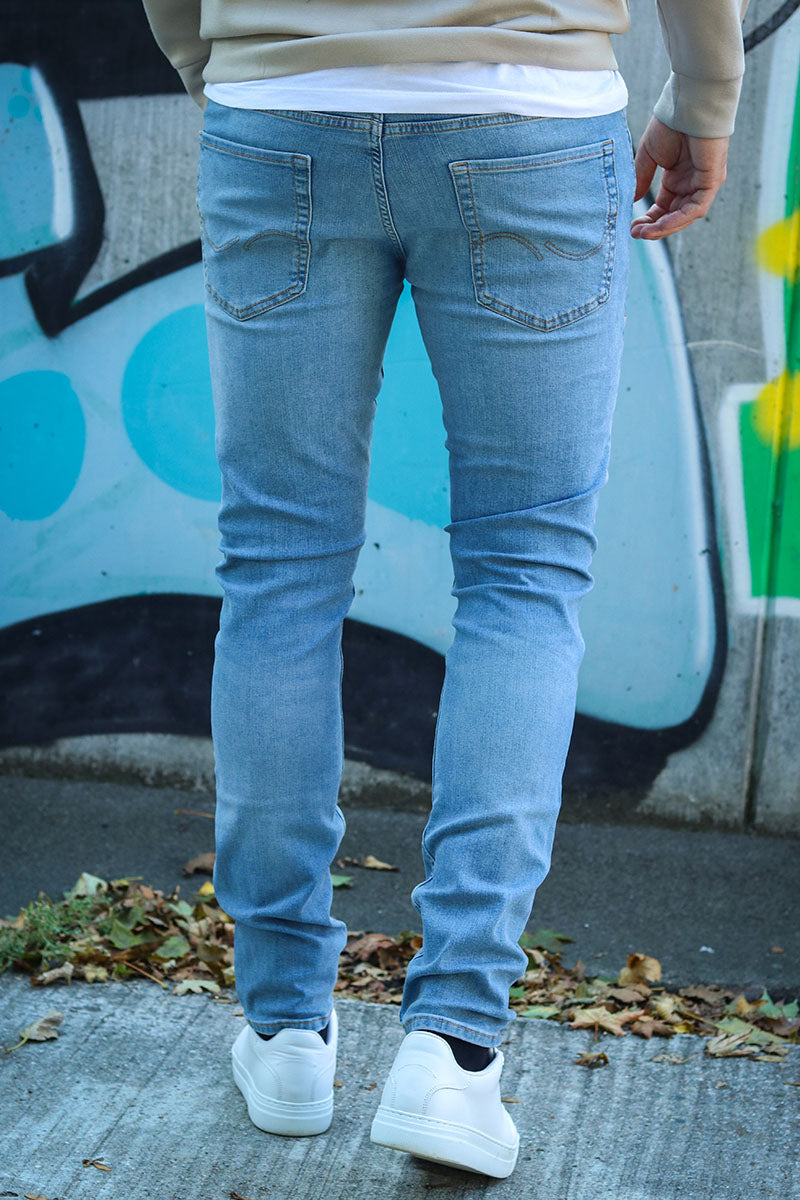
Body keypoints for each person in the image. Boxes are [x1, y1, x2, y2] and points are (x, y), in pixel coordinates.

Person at [141, 0, 750, 1180]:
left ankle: (284, 1029)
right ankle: (453, 1051)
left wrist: (222, 66)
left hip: (280, 108)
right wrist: (702, 97)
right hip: (528, 111)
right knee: (524, 573)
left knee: (276, 568)